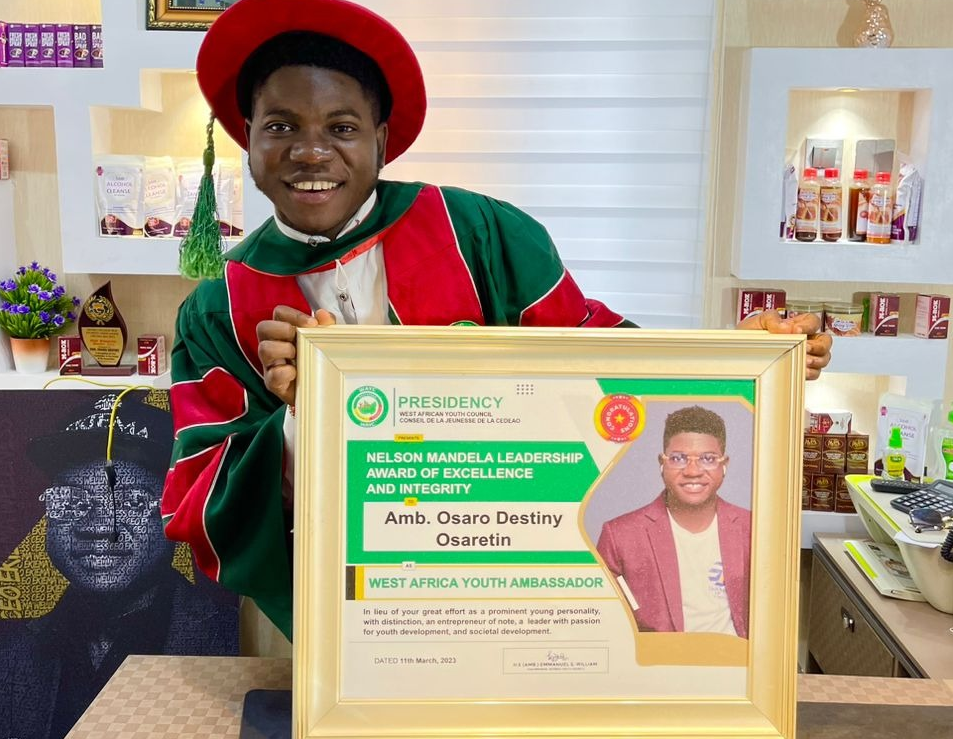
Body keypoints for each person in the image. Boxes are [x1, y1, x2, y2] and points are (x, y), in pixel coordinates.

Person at [159, 0, 831, 643]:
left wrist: (737, 359)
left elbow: (598, 361)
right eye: (281, 127)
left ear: (381, 140)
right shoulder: (218, 309)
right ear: (246, 137)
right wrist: (302, 417)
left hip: (503, 587)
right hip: (329, 609)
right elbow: (198, 499)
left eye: (342, 128)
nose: (311, 153)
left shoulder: (479, 233)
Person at [0, 392, 237, 739]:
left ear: (177, 513)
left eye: (132, 501)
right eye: (71, 501)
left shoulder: (235, 642)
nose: (99, 526)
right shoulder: (9, 653)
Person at [596, 406, 749, 637]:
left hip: (736, 658)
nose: (693, 471)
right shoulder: (620, 536)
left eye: (708, 459)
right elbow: (606, 624)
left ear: (724, 464)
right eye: (678, 458)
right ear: (662, 463)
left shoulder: (753, 528)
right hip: (656, 659)